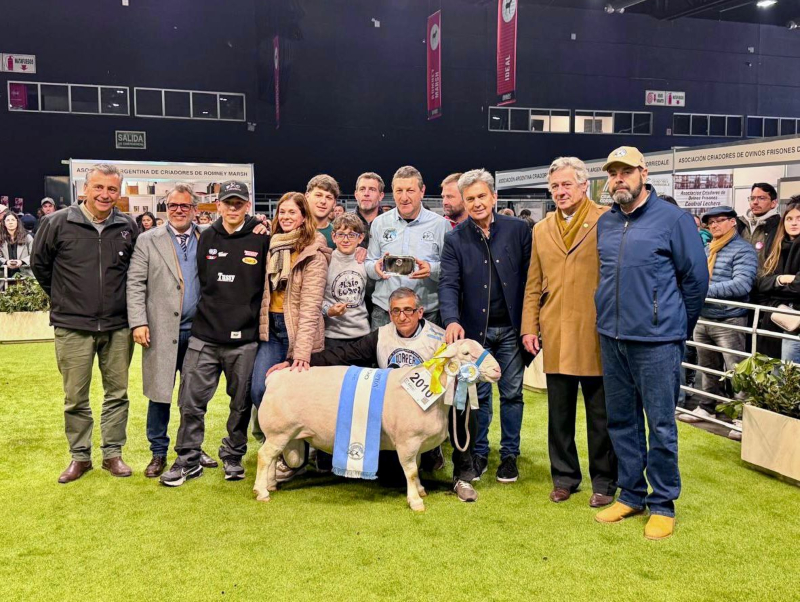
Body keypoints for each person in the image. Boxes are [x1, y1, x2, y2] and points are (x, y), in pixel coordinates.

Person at [593, 147, 708, 540]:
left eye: (626, 171)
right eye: (613, 173)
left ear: (644, 172)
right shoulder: (607, 222)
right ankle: (631, 495)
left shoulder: (674, 220)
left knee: (660, 425)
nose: (619, 179)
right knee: (621, 421)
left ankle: (662, 504)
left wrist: (674, 325)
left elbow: (696, 281)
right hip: (612, 337)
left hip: (658, 341)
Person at [266, 288, 480, 498]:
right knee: (390, 478)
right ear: (389, 314)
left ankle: (462, 475)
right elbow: (343, 354)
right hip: (393, 418)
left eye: (408, 310)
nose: (402, 317)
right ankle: (423, 457)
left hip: (427, 413)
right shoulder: (382, 336)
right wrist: (295, 361)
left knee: (462, 402)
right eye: (396, 311)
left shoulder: (439, 338)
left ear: (420, 312)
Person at [32, 164, 139, 483]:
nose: (105, 194)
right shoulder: (56, 222)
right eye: (99, 187)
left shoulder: (127, 225)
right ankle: (80, 457)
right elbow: (40, 266)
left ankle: (112, 454)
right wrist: (66, 297)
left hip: (118, 326)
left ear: (118, 193)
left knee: (117, 394)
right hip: (72, 326)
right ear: (85, 189)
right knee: (75, 397)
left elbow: (135, 272)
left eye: (112, 189)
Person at [521, 157, 617, 507]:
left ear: (583, 185)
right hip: (556, 331)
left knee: (601, 415)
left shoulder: (607, 219)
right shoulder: (541, 228)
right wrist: (529, 326)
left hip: (597, 330)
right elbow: (533, 283)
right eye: (555, 186)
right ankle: (564, 478)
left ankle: (604, 481)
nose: (560, 191)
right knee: (559, 414)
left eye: (566, 185)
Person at [160, 181, 269, 487]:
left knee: (240, 405)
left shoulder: (262, 238)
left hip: (244, 339)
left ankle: (233, 455)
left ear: (247, 206)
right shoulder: (205, 236)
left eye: (238, 203)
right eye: (227, 203)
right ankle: (187, 459)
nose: (232, 208)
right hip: (205, 336)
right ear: (218, 205)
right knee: (190, 402)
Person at [440, 169, 531, 484]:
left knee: (512, 393)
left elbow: (531, 279)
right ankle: (478, 454)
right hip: (475, 334)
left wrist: (531, 324)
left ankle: (509, 456)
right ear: (464, 202)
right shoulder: (454, 238)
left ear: (494, 197)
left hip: (511, 330)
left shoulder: (519, 230)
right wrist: (452, 319)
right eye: (470, 198)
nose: (477, 203)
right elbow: (448, 284)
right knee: (477, 395)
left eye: (482, 196)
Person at [126, 184, 219, 478]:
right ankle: (158, 452)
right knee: (160, 395)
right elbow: (135, 283)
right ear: (166, 209)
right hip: (160, 330)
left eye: (184, 206)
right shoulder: (147, 240)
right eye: (173, 206)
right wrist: (138, 322)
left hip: (199, 332)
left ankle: (192, 447)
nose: (178, 210)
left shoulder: (208, 236)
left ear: (194, 209)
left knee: (194, 397)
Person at [249, 192, 331, 411]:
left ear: (304, 217)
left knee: (297, 398)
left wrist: (302, 352)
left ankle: (293, 434)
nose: (286, 217)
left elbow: (311, 306)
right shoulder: (273, 243)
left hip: (298, 330)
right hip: (271, 330)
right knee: (259, 389)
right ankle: (272, 433)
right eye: (282, 212)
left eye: (292, 212)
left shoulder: (313, 252)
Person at [678, 206, 756, 426]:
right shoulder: (706, 249)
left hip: (730, 319)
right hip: (703, 317)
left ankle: (743, 418)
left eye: (720, 220)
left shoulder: (744, 250)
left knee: (737, 370)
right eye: (711, 222)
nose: (714, 225)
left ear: (733, 222)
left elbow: (742, 284)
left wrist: (702, 290)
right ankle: (707, 407)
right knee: (707, 368)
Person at [365, 165, 449, 328]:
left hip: (426, 313)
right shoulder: (379, 223)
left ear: (422, 191)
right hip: (385, 311)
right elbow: (369, 263)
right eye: (399, 191)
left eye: (410, 190)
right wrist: (375, 268)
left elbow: (451, 268)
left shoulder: (440, 225)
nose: (404, 197)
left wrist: (431, 269)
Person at [756, 200, 800, 364]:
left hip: (796, 320)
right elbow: (761, 283)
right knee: (771, 369)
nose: (794, 223)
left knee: (790, 371)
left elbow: (798, 286)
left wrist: (774, 284)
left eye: (799, 218)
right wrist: (782, 279)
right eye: (789, 219)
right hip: (773, 317)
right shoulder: (775, 246)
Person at [322, 214, 370, 349]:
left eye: (352, 235)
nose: (346, 240)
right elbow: (313, 298)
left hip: (362, 334)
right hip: (332, 336)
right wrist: (328, 310)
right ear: (333, 237)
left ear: (360, 238)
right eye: (341, 234)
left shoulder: (365, 260)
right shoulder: (325, 261)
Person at [737, 183, 780, 253]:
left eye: (761, 198)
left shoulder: (779, 226)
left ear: (773, 203)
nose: (755, 202)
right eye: (752, 198)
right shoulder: (740, 223)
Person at [0, 211, 34, 286]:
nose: (10, 222)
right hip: (5, 275)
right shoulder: (0, 238)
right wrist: (6, 262)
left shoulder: (27, 237)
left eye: (13, 220)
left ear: (17, 222)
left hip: (24, 274)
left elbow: (33, 254)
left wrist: (22, 261)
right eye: (8, 220)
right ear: (4, 223)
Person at [306, 174, 339, 248]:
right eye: (318, 195)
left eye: (328, 197)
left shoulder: (339, 236)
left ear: (334, 203)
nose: (323, 201)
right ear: (307, 197)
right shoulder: (293, 229)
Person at [354, 172, 385, 249]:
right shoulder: (343, 223)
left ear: (381, 196)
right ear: (356, 195)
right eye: (362, 189)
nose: (366, 193)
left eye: (372, 189)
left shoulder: (391, 223)